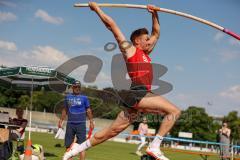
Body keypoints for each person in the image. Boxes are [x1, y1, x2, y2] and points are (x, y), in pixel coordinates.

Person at [63, 2, 181, 160]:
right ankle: (154, 146)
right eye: (146, 39)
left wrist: (154, 13)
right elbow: (112, 25)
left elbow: (156, 33)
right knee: (174, 111)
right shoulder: (130, 49)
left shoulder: (146, 53)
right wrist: (96, 9)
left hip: (137, 96)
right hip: (139, 92)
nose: (150, 41)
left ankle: (75, 149)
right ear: (137, 41)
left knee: (112, 132)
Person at [59, 80, 94, 160]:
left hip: (81, 125)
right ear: (72, 87)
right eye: (75, 87)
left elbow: (88, 110)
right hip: (70, 124)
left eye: (78, 87)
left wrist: (91, 121)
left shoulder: (84, 98)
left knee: (82, 146)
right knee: (68, 145)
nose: (77, 88)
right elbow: (65, 110)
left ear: (80, 88)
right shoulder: (67, 97)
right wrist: (61, 120)